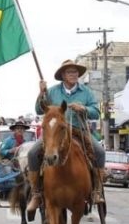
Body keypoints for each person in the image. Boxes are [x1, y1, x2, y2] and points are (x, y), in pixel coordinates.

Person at [26, 60, 106, 210]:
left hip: (79, 131)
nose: (73, 75)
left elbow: (96, 112)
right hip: (56, 133)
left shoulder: (86, 92)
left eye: (75, 72)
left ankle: (96, 190)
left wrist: (83, 108)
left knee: (100, 152)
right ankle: (36, 193)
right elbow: (39, 110)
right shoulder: (52, 92)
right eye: (70, 72)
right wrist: (41, 93)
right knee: (32, 153)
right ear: (63, 75)